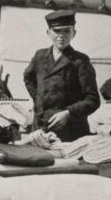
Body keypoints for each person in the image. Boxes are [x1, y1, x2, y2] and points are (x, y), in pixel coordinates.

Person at [23, 10, 100, 142]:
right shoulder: (40, 56)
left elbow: (93, 100)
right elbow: (28, 78)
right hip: (40, 126)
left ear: (74, 33)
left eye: (66, 31)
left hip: (70, 131)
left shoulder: (80, 61)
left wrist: (69, 113)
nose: (61, 36)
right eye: (57, 31)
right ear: (48, 33)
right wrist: (38, 101)